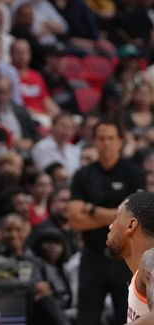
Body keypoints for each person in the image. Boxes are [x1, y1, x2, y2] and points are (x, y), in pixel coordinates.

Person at [68, 120, 147, 325]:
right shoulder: (82, 175)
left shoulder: (134, 173)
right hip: (93, 255)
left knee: (129, 318)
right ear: (94, 141)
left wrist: (91, 210)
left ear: (120, 141)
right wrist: (117, 215)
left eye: (111, 138)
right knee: (86, 318)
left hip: (125, 258)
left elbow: (133, 219)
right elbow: (76, 220)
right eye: (101, 138)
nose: (106, 143)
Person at [105, 192, 154, 322]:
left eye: (116, 217)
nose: (110, 226)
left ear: (131, 225)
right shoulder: (140, 274)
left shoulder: (151, 260)